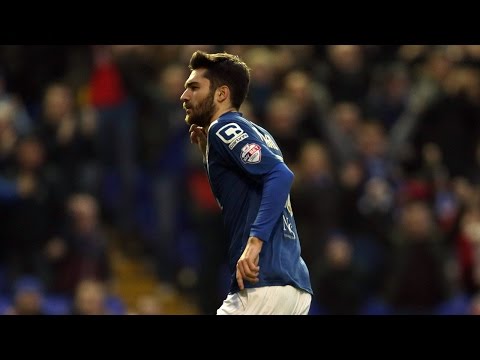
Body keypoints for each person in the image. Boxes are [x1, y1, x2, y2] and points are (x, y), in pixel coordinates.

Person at [180, 50, 313, 315]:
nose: (184, 96)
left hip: (263, 280)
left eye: (194, 87)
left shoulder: (224, 127)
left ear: (221, 94)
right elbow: (241, 199)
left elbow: (281, 176)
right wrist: (209, 154)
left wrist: (254, 244)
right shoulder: (261, 134)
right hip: (293, 285)